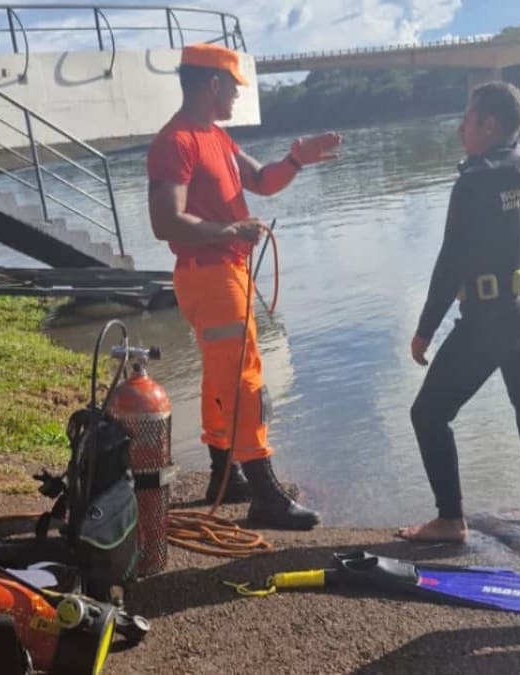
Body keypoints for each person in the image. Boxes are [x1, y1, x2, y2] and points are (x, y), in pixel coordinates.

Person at [146, 44, 342, 529]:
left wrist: (296, 160)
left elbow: (261, 180)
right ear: (213, 84)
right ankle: (265, 495)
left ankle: (224, 476)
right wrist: (229, 231)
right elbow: (164, 221)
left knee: (220, 378)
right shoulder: (177, 141)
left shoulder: (217, 138)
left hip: (224, 273)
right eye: (234, 85)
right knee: (244, 379)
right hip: (209, 275)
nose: (237, 94)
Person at [397, 81, 520, 544]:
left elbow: (451, 261)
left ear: (489, 124)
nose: (460, 130)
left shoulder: (474, 181)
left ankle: (451, 520)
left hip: (490, 318)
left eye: (467, 120)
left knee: (428, 414)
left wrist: (424, 330)